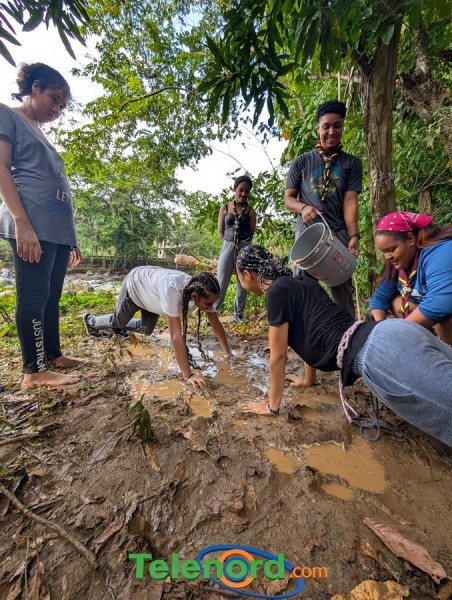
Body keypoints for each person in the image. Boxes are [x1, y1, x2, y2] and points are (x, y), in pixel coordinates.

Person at [236, 245, 452, 447]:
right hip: (392, 331)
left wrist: (271, 407)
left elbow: (278, 357)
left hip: (375, 352)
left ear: (247, 274)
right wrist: (308, 381)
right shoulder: (300, 282)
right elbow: (311, 329)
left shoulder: (275, 292)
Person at [0, 63, 83, 390]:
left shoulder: (40, 132)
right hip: (32, 223)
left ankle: (53, 354)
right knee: (34, 295)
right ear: (35, 87)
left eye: (62, 106)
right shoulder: (8, 115)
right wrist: (21, 222)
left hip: (56, 231)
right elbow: (1, 168)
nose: (57, 110)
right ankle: (33, 371)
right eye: (54, 99)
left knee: (51, 296)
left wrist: (70, 238)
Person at [83, 267, 232, 387]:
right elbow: (175, 335)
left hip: (151, 296)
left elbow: (215, 323)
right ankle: (90, 321)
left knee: (146, 329)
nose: (211, 307)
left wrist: (228, 354)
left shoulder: (203, 292)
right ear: (194, 297)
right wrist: (188, 375)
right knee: (118, 321)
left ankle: (119, 329)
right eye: (208, 304)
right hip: (135, 286)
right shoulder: (172, 289)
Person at [370, 211, 452, 344]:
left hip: (443, 310)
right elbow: (380, 297)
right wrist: (379, 328)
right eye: (384, 252)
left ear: (410, 239)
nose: (387, 257)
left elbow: (440, 303)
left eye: (391, 249)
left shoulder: (441, 252)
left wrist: (397, 333)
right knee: (396, 302)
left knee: (442, 316)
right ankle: (426, 345)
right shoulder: (401, 261)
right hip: (433, 311)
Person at [215, 175, 257, 322]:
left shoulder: (251, 211)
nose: (244, 194)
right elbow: (220, 231)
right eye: (241, 190)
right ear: (235, 189)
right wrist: (228, 244)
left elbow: (251, 232)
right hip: (227, 245)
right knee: (221, 280)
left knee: (243, 282)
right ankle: (214, 312)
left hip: (244, 247)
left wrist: (243, 246)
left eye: (247, 191)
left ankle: (238, 315)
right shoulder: (225, 208)